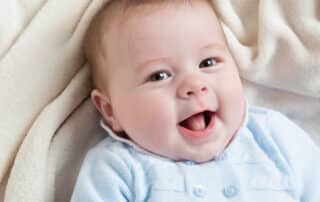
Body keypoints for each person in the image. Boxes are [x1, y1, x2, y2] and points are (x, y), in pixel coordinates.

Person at [71, 0, 320, 201]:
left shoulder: (273, 138)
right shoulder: (118, 169)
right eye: (159, 75)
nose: (193, 85)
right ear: (110, 110)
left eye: (208, 63)